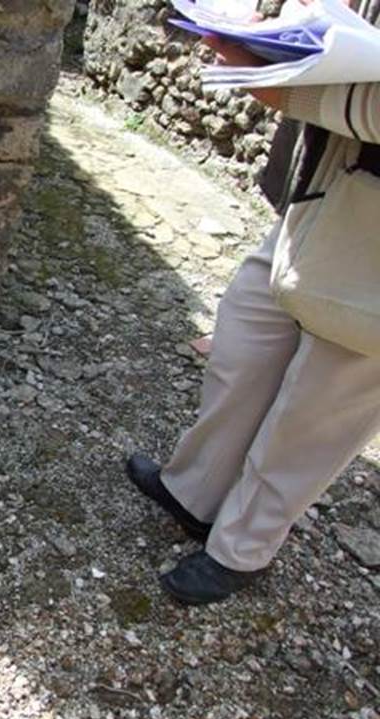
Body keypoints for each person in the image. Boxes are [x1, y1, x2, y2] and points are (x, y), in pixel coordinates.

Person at [128, 0, 380, 605]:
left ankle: (242, 550)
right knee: (243, 346)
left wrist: (273, 79)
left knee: (316, 409)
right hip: (327, 192)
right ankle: (196, 492)